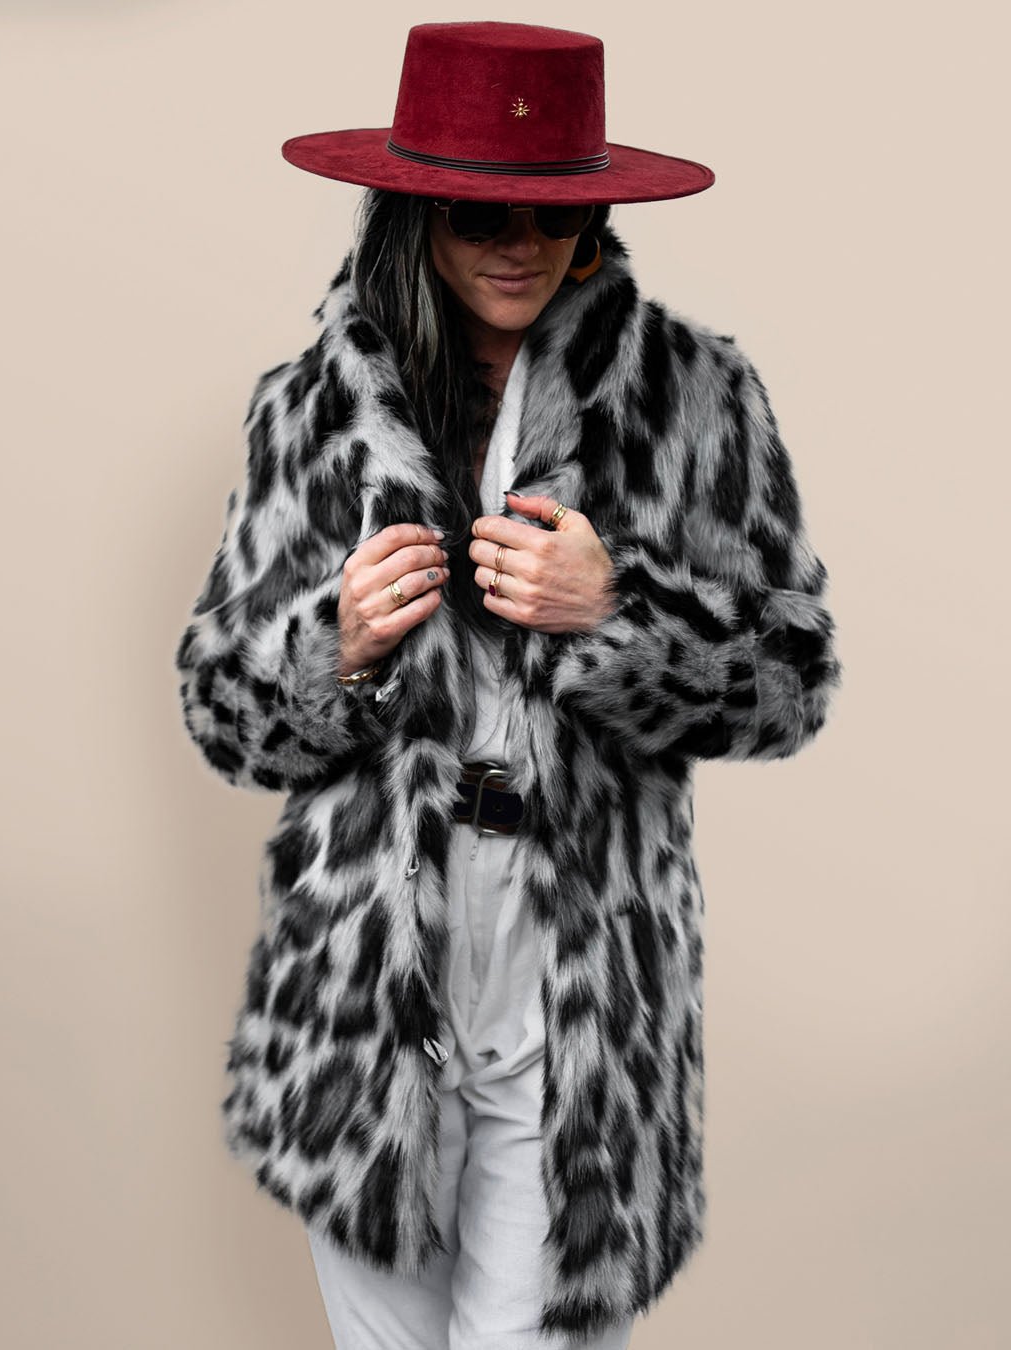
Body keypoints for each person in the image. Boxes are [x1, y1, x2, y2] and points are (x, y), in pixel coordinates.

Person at [173, 20, 844, 1350]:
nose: (515, 240)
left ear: (593, 207)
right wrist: (335, 643)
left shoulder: (696, 400)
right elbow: (216, 701)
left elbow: (792, 676)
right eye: (481, 206)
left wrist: (623, 615)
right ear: (412, 203)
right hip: (367, 987)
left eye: (551, 207)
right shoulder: (308, 414)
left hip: (577, 976)